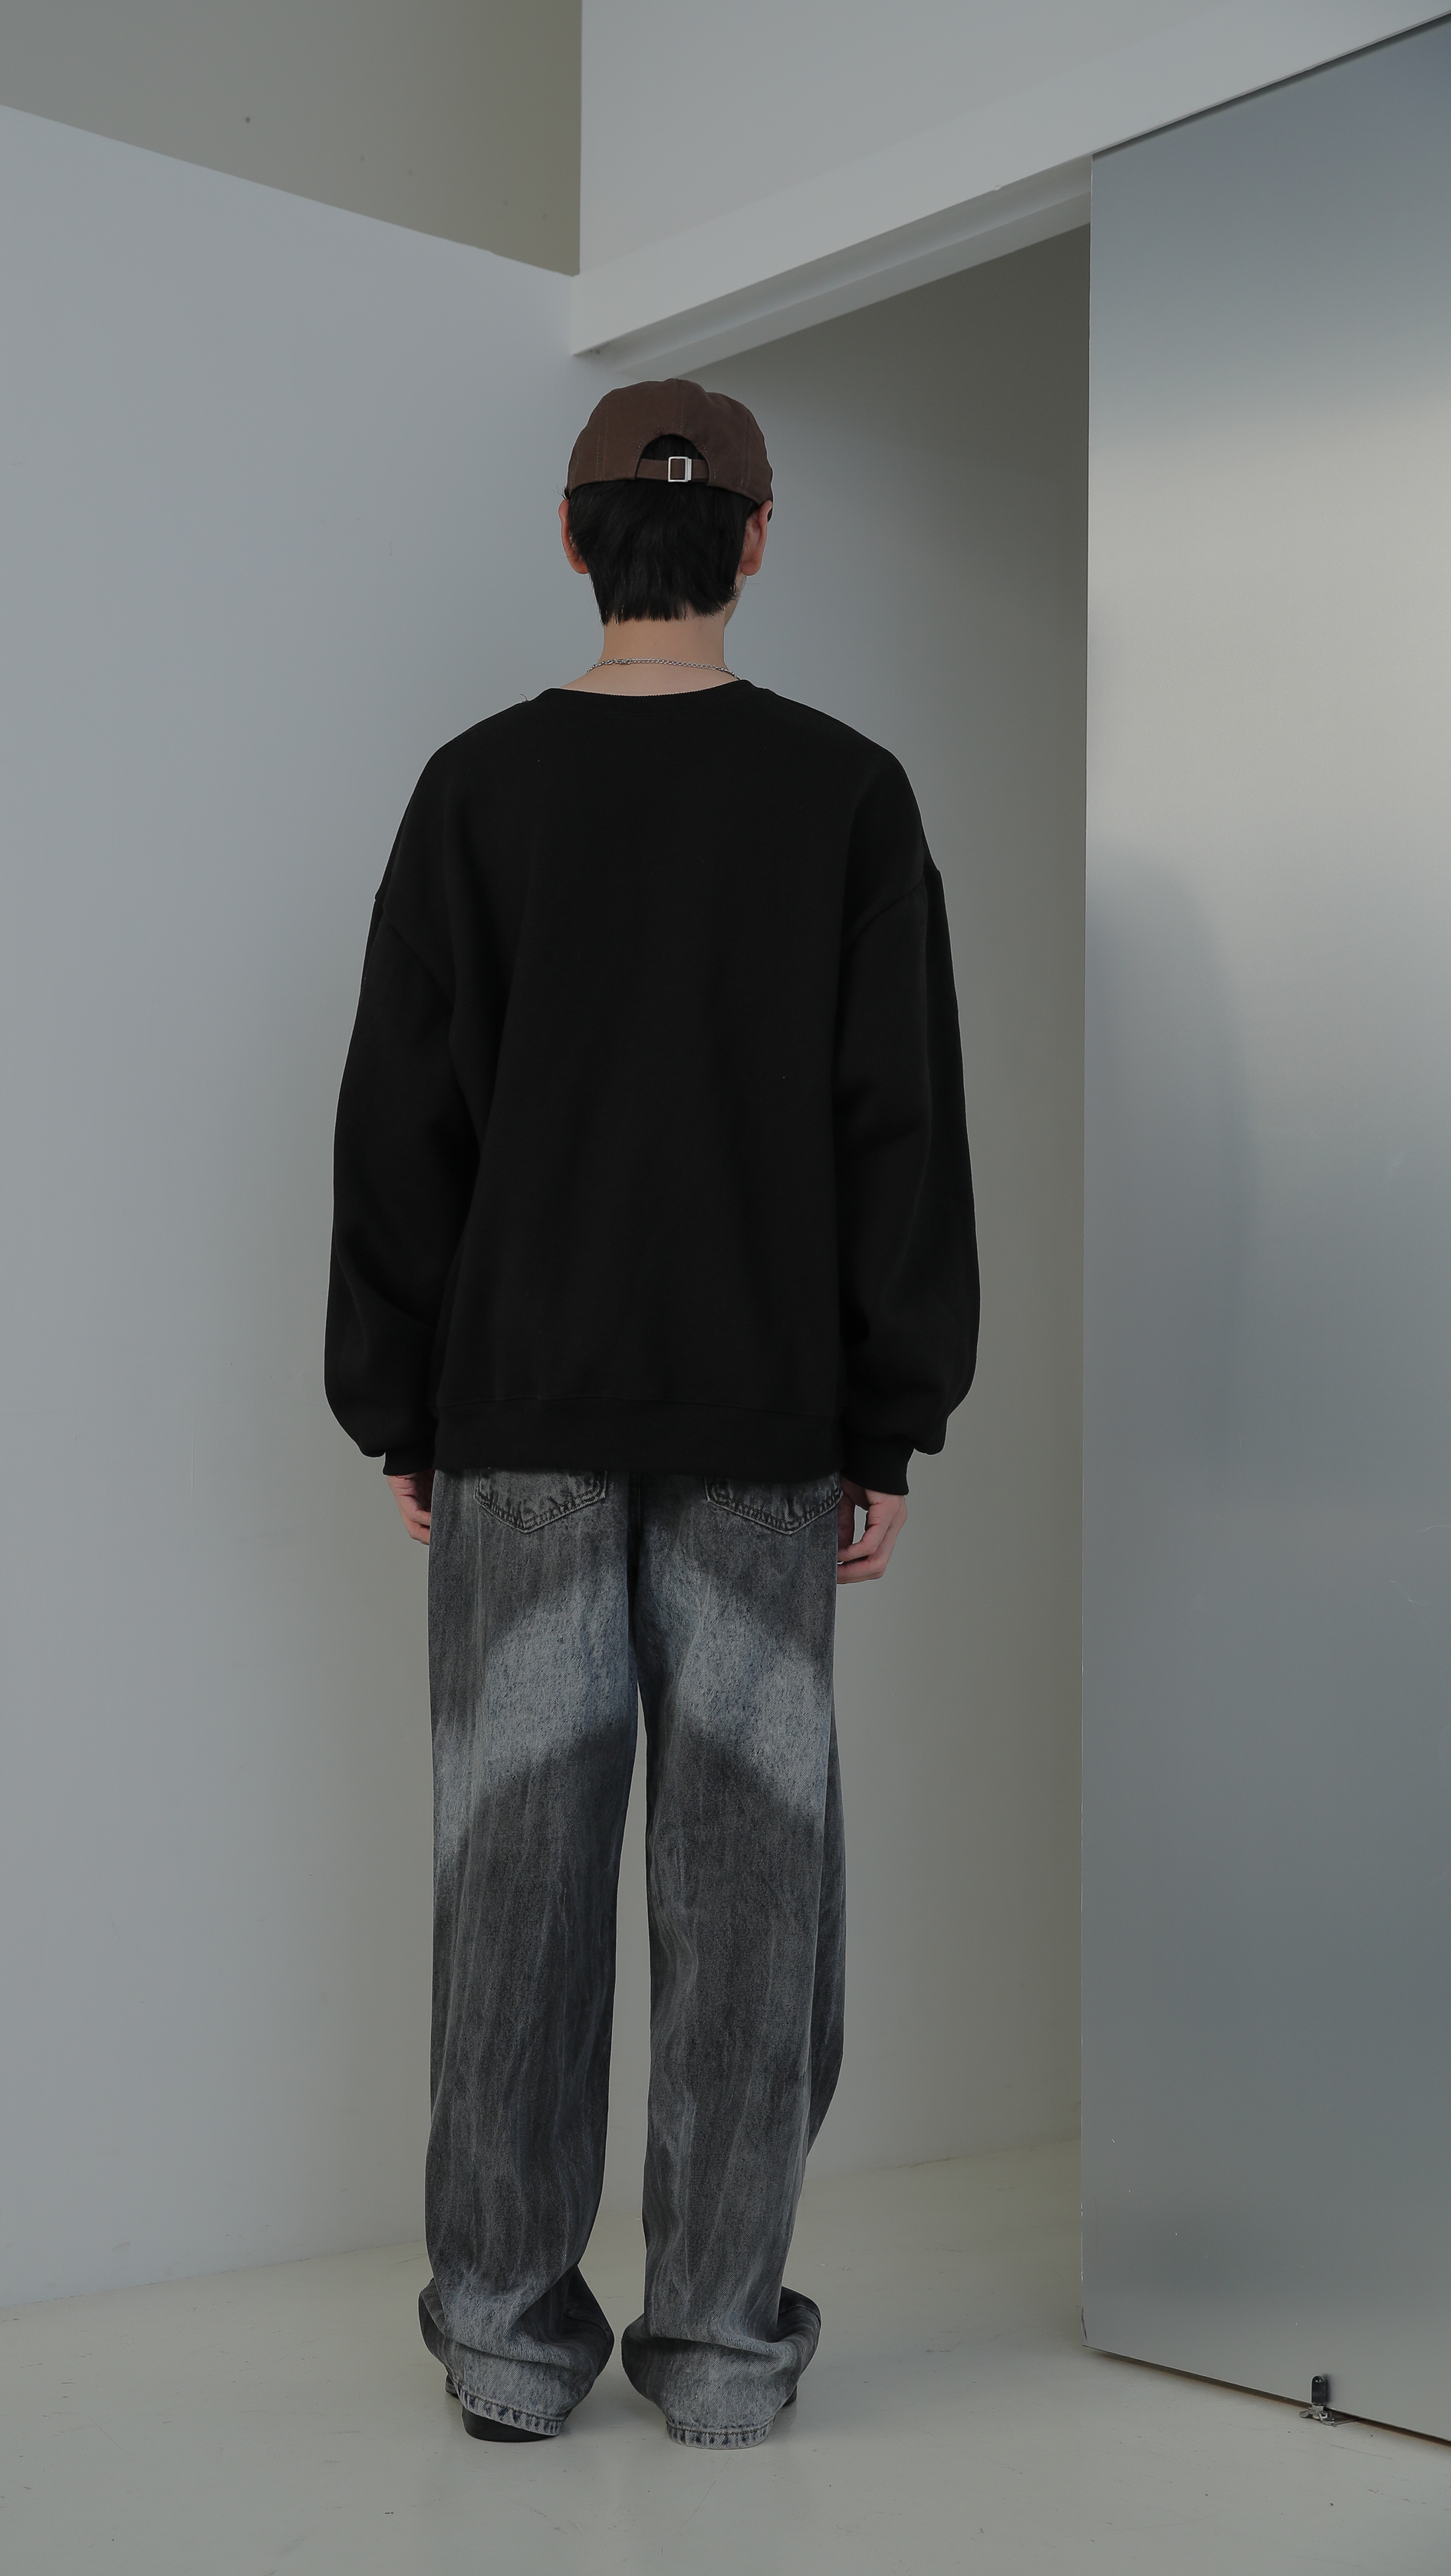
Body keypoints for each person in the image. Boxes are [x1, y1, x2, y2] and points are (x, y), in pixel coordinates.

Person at [326, 379, 979, 2450]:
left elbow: (400, 1125)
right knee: (751, 1893)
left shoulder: (474, 791)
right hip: (766, 1421)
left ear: (572, 535)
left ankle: (511, 2346)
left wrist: (400, 1403)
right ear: (757, 541)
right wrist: (889, 1416)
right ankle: (714, 2347)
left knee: (513, 1888)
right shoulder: (847, 794)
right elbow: (899, 1125)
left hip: (516, 1411)